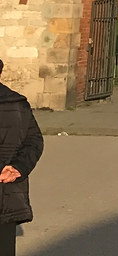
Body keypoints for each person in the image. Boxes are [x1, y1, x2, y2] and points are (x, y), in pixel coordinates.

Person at [0, 57, 44, 256]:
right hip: (8, 194)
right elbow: (34, 141)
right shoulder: (17, 103)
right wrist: (18, 167)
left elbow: (33, 140)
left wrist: (18, 167)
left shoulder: (17, 104)